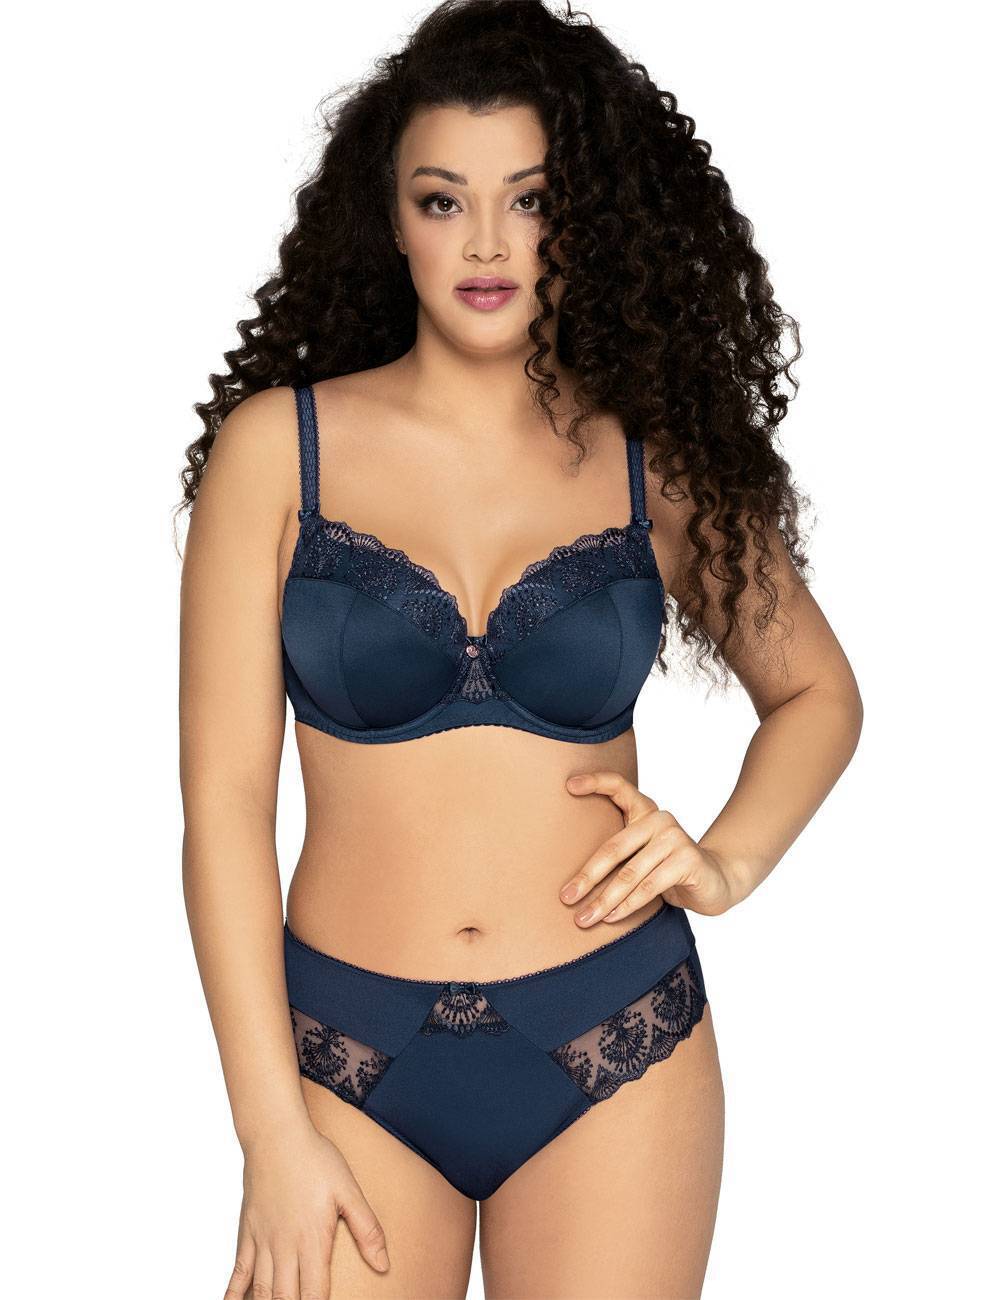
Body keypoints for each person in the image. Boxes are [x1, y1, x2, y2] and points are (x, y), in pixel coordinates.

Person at [177, 2, 863, 1296]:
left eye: (529, 200)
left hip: (619, 1037)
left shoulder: (649, 460)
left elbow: (818, 693)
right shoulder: (279, 450)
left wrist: (726, 860)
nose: (487, 243)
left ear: (581, 218)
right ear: (392, 219)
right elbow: (221, 812)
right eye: (443, 201)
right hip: (344, 1058)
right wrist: (270, 1131)